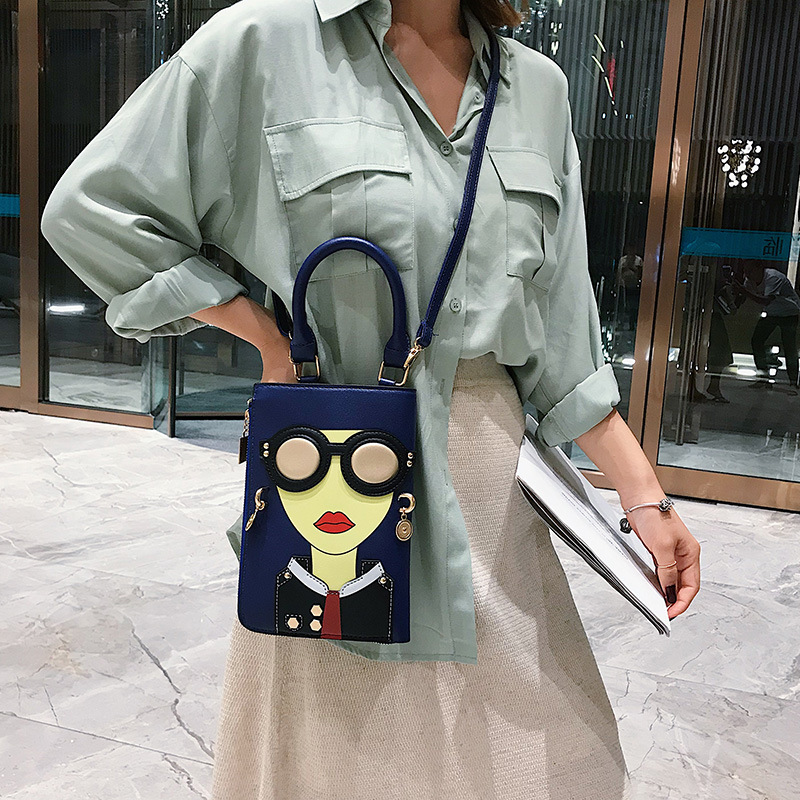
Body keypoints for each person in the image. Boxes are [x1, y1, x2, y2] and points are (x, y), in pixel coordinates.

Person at [39, 0, 701, 797]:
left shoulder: (536, 87)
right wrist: (265, 336)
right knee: (344, 762)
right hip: (337, 484)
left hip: (492, 494)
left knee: (546, 761)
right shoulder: (265, 44)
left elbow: (562, 335)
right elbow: (96, 211)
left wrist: (645, 497)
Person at [736, 261, 800, 394]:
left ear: (759, 268)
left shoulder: (773, 278)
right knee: (757, 340)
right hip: (772, 313)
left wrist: (744, 291)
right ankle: (763, 377)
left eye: (750, 271)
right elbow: (744, 297)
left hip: (789, 313)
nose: (747, 275)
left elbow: (766, 300)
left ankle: (793, 382)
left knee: (789, 347)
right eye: (745, 272)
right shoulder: (750, 280)